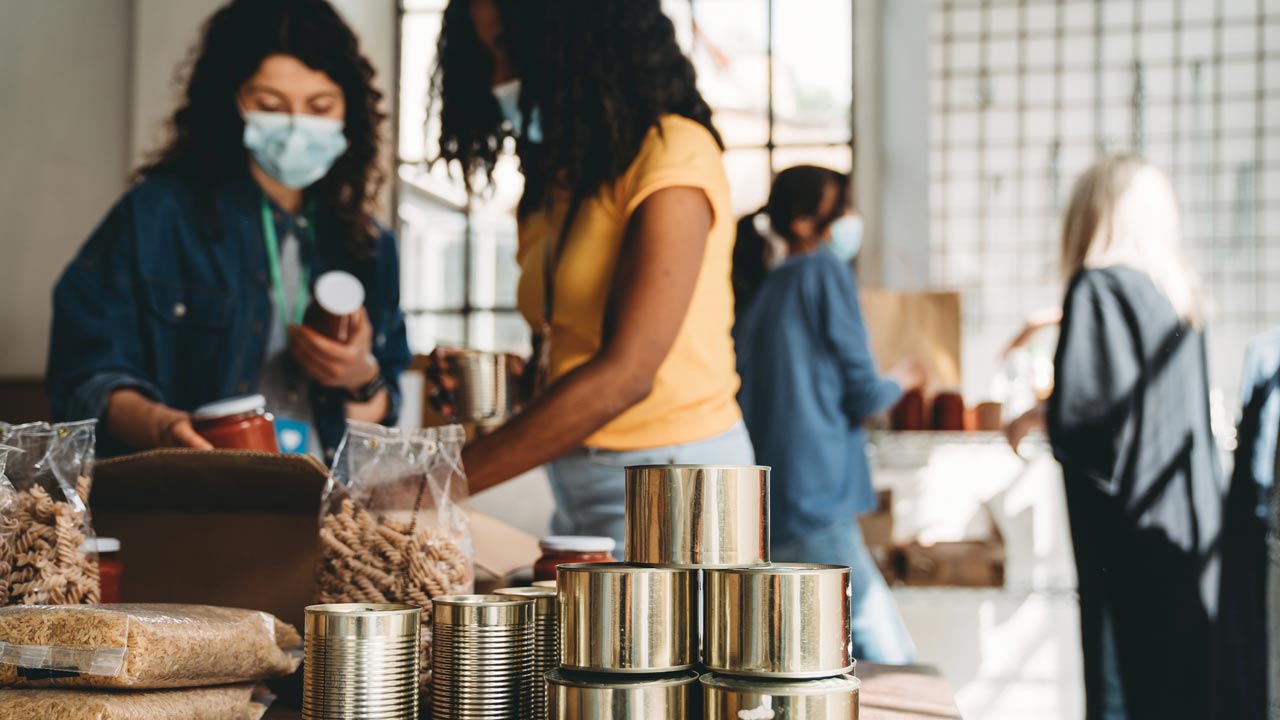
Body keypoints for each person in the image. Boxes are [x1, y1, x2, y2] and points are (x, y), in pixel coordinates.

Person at [430, 0, 753, 548]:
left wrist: (433, 481)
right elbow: (577, 340)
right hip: (581, 476)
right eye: (485, 57)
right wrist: (515, 382)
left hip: (677, 484)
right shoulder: (561, 177)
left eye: (506, 49)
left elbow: (627, 374)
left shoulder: (672, 153)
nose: (497, 79)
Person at [46, 0, 410, 459]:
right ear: (232, 102)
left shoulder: (370, 247)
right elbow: (83, 375)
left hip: (324, 505)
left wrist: (360, 376)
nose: (298, 128)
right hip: (190, 501)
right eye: (270, 105)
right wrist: (163, 428)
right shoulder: (158, 216)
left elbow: (379, 413)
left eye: (319, 106)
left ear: (349, 112)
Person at [1005, 156, 1223, 719]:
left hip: (1126, 540)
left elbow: (1088, 426)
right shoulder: (1177, 297)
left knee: (1125, 684)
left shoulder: (1096, 290)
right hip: (1189, 526)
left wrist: (1039, 416)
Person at [732, 165, 921, 664]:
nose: (852, 219)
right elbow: (864, 393)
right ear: (803, 222)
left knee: (802, 649)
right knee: (879, 639)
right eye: (841, 208)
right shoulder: (823, 273)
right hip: (817, 491)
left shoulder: (764, 291)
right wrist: (905, 379)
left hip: (770, 495)